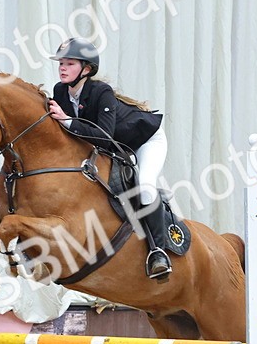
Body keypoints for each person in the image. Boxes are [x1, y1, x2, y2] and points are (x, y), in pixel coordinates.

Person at [46, 38, 173, 279]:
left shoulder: (100, 91)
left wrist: (67, 120)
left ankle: (158, 251)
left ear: (86, 69)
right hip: (117, 145)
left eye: (69, 64)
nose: (62, 68)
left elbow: (103, 137)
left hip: (145, 140)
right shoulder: (60, 91)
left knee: (145, 186)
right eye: (61, 63)